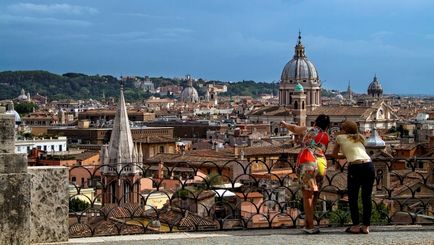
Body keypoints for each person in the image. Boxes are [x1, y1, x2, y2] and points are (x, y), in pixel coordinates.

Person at [280, 114, 330, 234]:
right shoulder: (327, 137)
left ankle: (310, 226)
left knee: (307, 194)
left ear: (315, 123)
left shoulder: (308, 130)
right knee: (315, 194)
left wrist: (284, 123)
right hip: (321, 164)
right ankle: (310, 221)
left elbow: (294, 128)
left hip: (308, 162)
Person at [332, 120, 375, 234]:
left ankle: (355, 226)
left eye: (341, 128)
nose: (340, 130)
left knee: (353, 197)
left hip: (355, 167)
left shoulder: (340, 138)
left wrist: (342, 156)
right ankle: (366, 226)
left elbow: (334, 154)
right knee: (367, 197)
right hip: (369, 166)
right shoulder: (360, 138)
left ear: (345, 130)